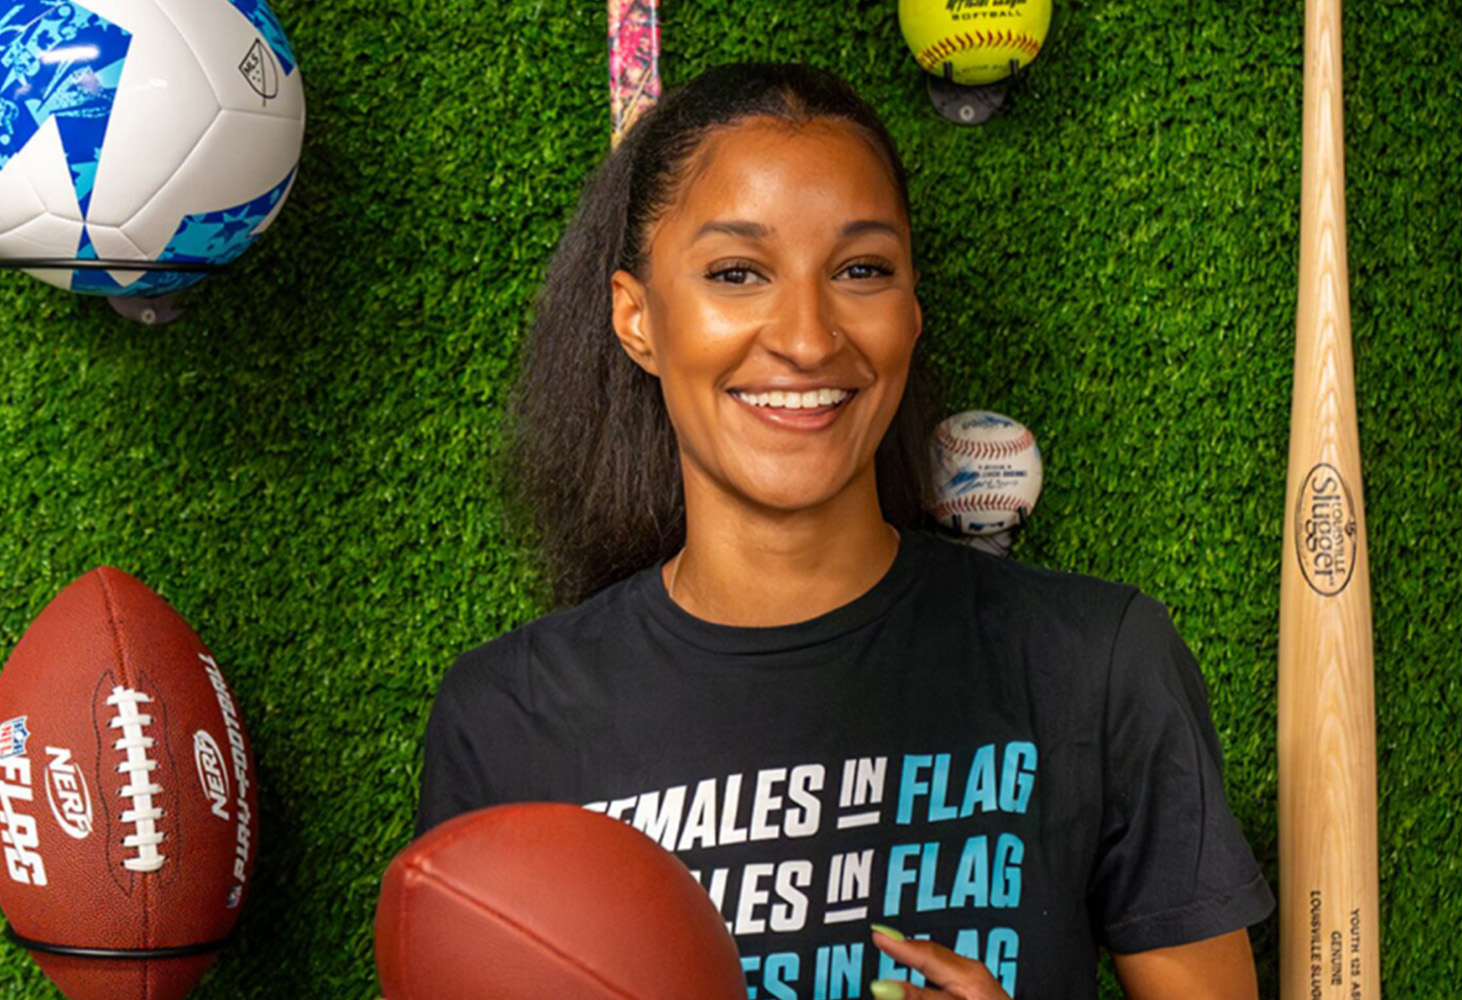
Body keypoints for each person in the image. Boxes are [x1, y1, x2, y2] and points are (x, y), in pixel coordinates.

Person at [415, 61, 1274, 1000]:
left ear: (911, 310)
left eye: (861, 270)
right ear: (637, 318)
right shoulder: (507, 722)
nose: (810, 337)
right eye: (737, 273)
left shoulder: (1097, 666)